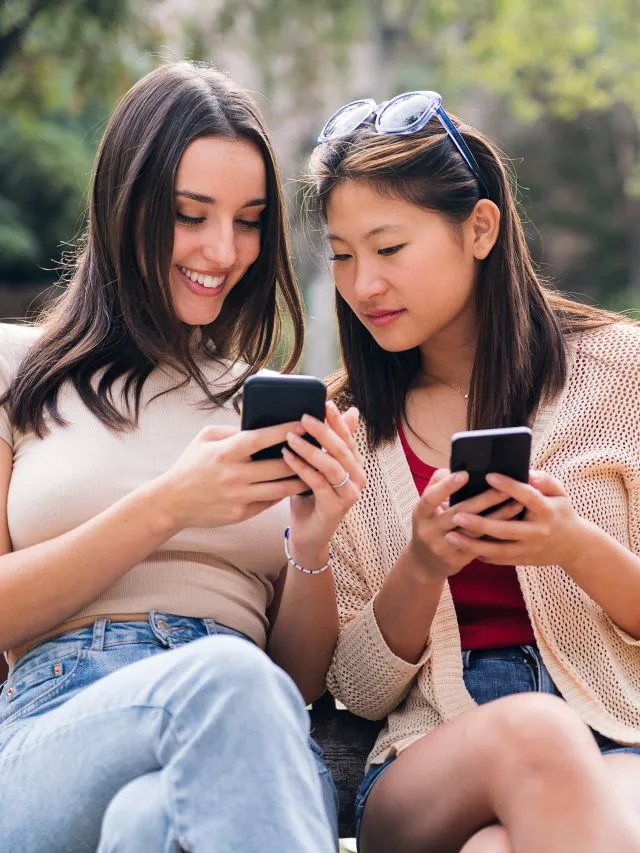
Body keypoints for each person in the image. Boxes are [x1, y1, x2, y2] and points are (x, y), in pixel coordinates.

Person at [0, 61, 366, 853]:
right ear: (124, 205)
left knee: (150, 823)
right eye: (190, 214)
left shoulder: (269, 401)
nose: (222, 249)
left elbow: (295, 684)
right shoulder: (14, 370)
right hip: (55, 731)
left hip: (251, 737)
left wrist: (311, 543)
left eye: (248, 219)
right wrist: (169, 504)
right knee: (229, 684)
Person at [307, 91, 640, 853]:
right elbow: (354, 691)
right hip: (429, 763)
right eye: (343, 255)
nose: (363, 286)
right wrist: (420, 565)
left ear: (480, 228)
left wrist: (577, 547)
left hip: (616, 735)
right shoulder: (346, 432)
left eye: (388, 250)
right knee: (536, 733)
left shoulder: (622, 373)